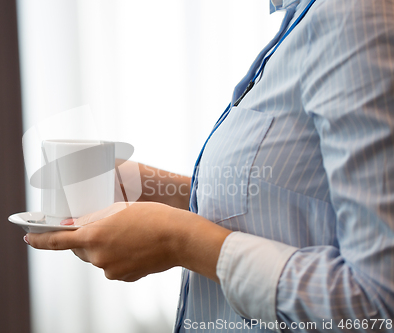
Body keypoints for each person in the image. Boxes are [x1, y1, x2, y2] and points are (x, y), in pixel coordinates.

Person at [25, 0, 394, 331]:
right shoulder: (305, 20)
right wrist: (153, 188)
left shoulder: (353, 15)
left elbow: (376, 308)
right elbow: (298, 205)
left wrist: (180, 240)